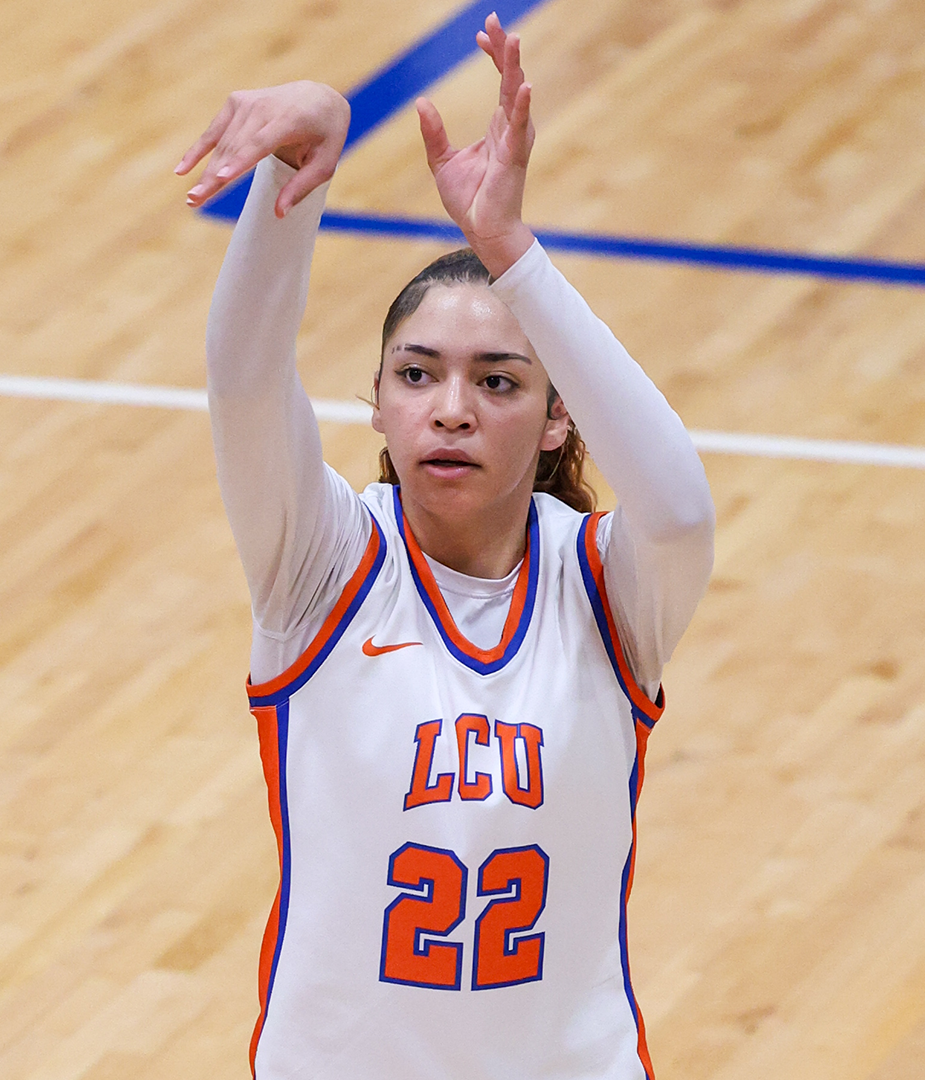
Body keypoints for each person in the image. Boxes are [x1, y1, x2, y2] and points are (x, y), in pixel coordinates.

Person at [176, 14, 715, 1079]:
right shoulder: (323, 567)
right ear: (377, 404)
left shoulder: (605, 587)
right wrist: (294, 173)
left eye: (498, 381)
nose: (452, 408)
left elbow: (683, 511)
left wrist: (513, 251)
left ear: (558, 419)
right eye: (417, 374)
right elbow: (243, 382)